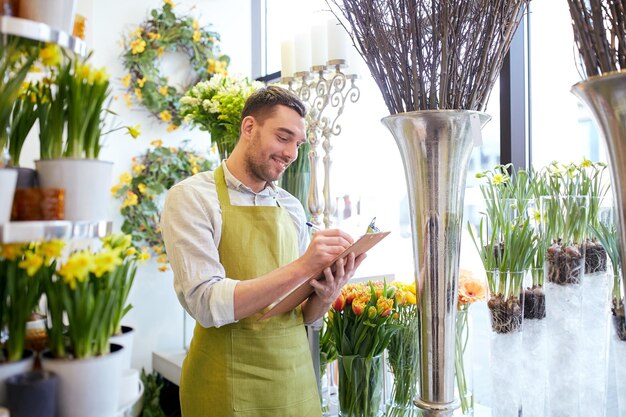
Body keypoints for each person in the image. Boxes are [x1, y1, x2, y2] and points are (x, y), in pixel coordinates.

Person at [160, 85, 366, 417]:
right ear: (249, 127)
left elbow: (304, 316)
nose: (292, 153)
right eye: (283, 137)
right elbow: (206, 303)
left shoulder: (291, 207)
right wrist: (302, 266)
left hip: (294, 384)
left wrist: (327, 292)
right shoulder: (192, 198)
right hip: (225, 386)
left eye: (298, 144)